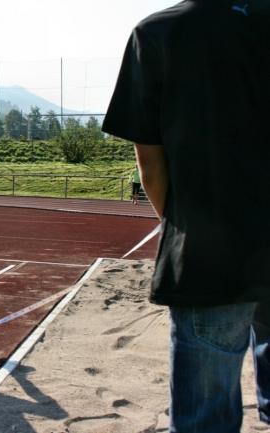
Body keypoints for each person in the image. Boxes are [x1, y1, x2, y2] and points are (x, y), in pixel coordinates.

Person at [102, 2, 270, 431]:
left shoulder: (158, 33)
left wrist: (179, 224)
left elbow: (151, 165)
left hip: (211, 251)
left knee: (205, 418)